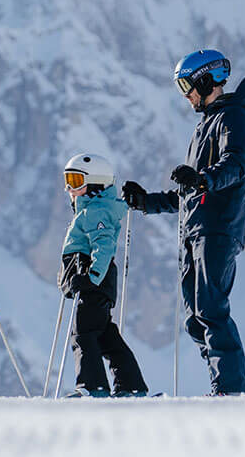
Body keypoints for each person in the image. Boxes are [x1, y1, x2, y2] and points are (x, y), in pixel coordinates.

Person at [123, 48, 245, 396]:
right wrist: (146, 202)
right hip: (193, 232)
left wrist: (202, 180)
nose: (185, 95)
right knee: (195, 318)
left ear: (206, 78)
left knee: (211, 309)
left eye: (187, 84)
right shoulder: (205, 126)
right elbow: (187, 193)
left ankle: (233, 391)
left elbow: (235, 164)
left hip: (218, 228)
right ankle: (223, 386)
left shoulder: (233, 118)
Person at [59, 151, 148, 397]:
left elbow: (104, 245)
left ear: (95, 184)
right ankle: (131, 385)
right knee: (105, 334)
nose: (69, 187)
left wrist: (90, 277)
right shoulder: (92, 209)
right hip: (98, 280)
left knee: (83, 333)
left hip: (94, 279)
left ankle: (92, 386)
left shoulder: (95, 212)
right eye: (67, 180)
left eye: (76, 181)